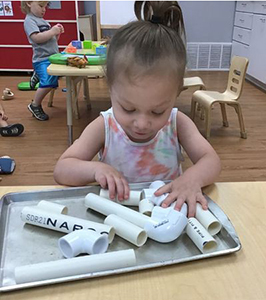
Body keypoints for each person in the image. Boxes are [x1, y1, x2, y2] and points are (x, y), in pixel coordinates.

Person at [54, 1, 221, 217]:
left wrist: (191, 179)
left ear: (176, 93)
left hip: (166, 218)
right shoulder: (104, 126)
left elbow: (212, 161)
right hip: (118, 219)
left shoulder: (177, 123)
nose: (142, 123)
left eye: (157, 111)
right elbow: (62, 169)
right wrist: (96, 169)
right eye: (128, 108)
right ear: (110, 88)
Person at [21, 1, 64, 121]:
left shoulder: (43, 21)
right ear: (29, 3)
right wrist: (52, 31)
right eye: (41, 6)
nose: (44, 9)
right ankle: (34, 105)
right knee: (49, 83)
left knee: (59, 75)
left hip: (52, 57)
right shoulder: (29, 21)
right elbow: (37, 38)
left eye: (46, 6)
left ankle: (38, 74)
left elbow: (50, 39)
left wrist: (56, 33)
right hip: (42, 59)